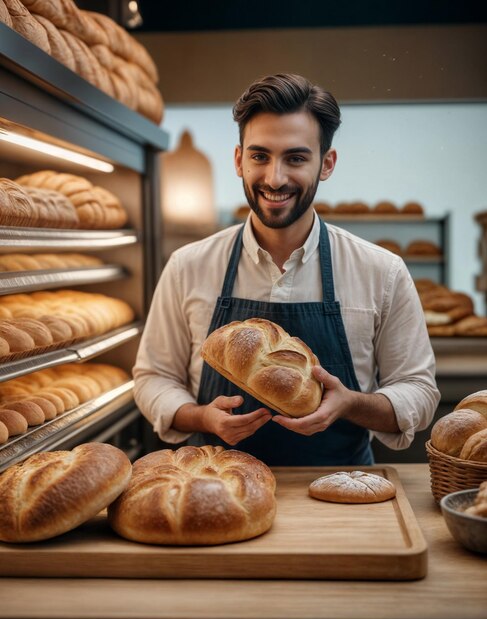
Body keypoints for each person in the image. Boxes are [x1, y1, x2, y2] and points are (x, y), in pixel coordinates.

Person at [133, 73, 440, 466]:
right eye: (260, 156)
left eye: (295, 158)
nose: (275, 178)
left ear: (326, 164)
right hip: (216, 492)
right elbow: (153, 377)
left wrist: (348, 404)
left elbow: (418, 390)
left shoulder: (381, 271)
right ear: (239, 160)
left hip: (339, 493)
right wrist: (201, 417)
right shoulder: (188, 266)